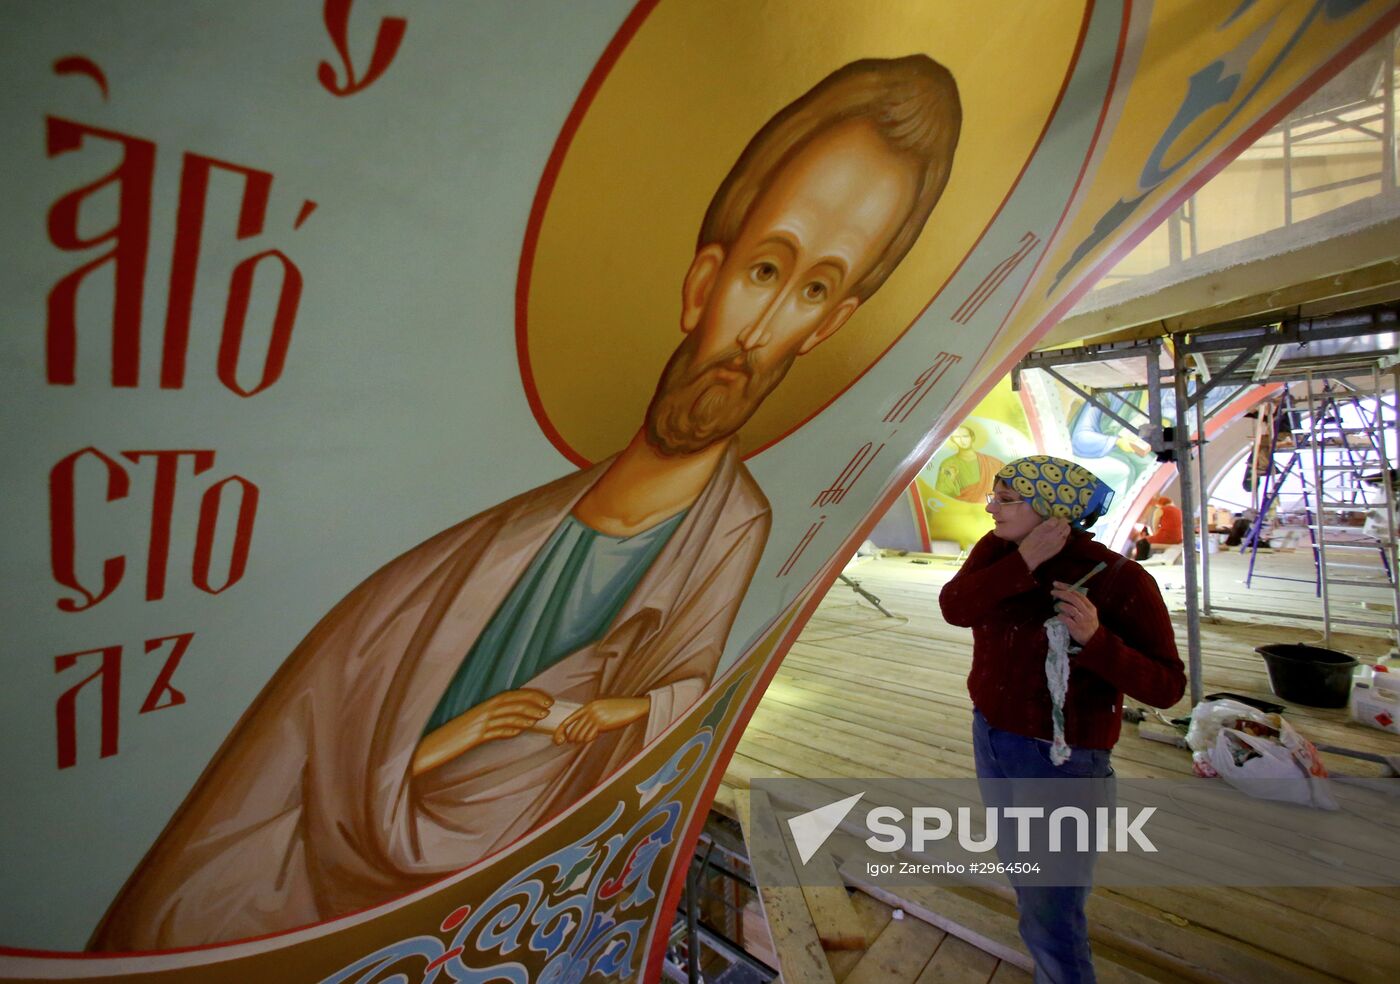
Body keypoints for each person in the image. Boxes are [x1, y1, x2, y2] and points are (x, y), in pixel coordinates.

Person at [89, 56, 964, 951]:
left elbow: (665, 713)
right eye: (765, 269)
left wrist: (630, 712)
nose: (758, 332)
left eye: (814, 290)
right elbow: (306, 750)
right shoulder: (482, 538)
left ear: (830, 324)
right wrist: (445, 743)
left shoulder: (733, 530)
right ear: (705, 280)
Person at [939, 455, 1184, 983]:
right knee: (1023, 869)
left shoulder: (1120, 579)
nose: (991, 508)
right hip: (993, 735)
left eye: (1007, 499)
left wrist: (1096, 640)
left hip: (1063, 760)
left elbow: (1167, 687)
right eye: (995, 496)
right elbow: (955, 608)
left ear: (1051, 509)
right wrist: (1024, 560)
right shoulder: (996, 550)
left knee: (1052, 908)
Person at [934, 423, 1004, 502]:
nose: (962, 440)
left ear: (972, 438)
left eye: (965, 436)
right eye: (957, 437)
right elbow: (941, 494)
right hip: (960, 505)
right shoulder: (948, 463)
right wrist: (951, 479)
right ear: (953, 440)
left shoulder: (992, 462)